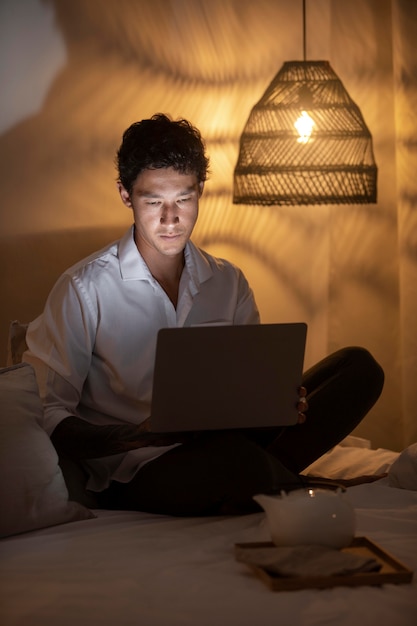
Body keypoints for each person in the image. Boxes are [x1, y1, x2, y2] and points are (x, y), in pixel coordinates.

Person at [24, 113, 385, 516]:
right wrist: (135, 437)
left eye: (183, 199)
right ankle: (279, 481)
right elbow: (47, 412)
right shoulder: (83, 288)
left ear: (200, 191)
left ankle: (269, 477)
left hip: (231, 441)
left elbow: (250, 384)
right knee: (237, 463)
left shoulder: (228, 281)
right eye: (153, 201)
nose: (170, 219)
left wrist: (278, 405)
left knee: (359, 368)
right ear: (126, 195)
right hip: (138, 468)